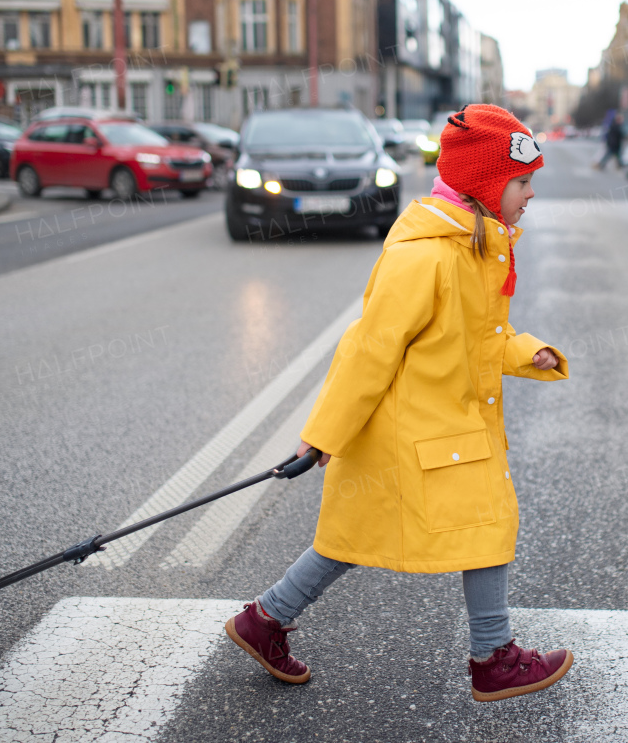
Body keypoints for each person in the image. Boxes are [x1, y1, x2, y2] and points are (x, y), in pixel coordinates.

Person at [226, 104, 574, 703]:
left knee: (349, 538)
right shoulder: (429, 255)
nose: (530, 194)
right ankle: (492, 657)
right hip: (420, 435)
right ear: (485, 186)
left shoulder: (474, 247)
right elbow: (369, 350)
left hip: (438, 428)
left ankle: (265, 619)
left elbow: (476, 340)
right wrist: (324, 434)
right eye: (522, 182)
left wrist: (528, 352)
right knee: (487, 522)